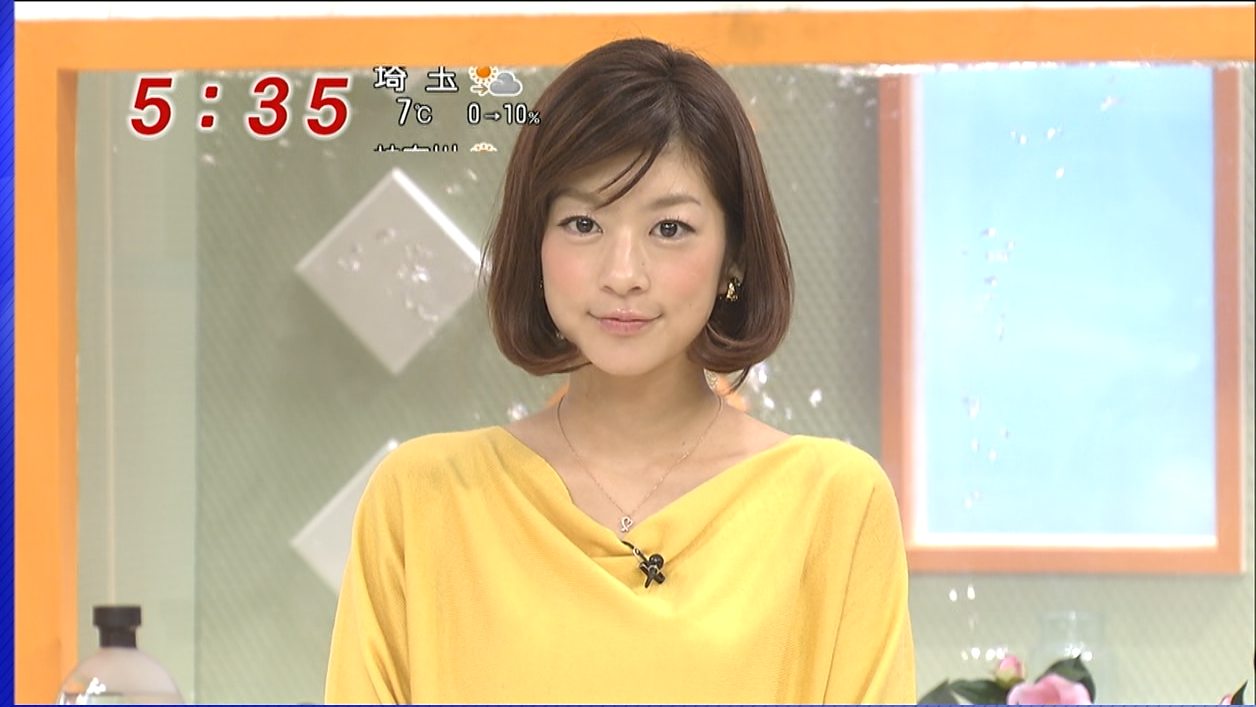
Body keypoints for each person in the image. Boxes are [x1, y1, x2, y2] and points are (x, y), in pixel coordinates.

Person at [324, 36, 916, 704]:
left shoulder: (833, 502)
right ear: (534, 243)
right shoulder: (422, 498)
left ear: (735, 255)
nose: (623, 273)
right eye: (583, 224)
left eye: (670, 229)